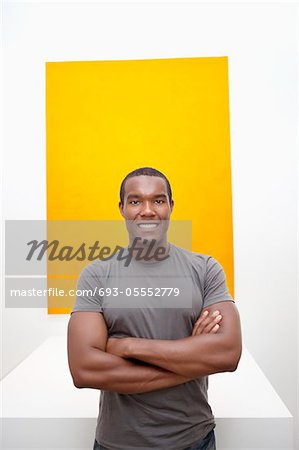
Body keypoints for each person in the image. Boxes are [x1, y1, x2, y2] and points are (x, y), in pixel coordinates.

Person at [67, 167, 242, 450]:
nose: (147, 210)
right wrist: (192, 358)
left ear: (171, 207)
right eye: (135, 201)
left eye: (158, 200)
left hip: (193, 439)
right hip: (117, 443)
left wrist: (127, 347)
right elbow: (84, 369)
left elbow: (227, 353)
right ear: (122, 208)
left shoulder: (205, 269)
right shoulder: (96, 274)